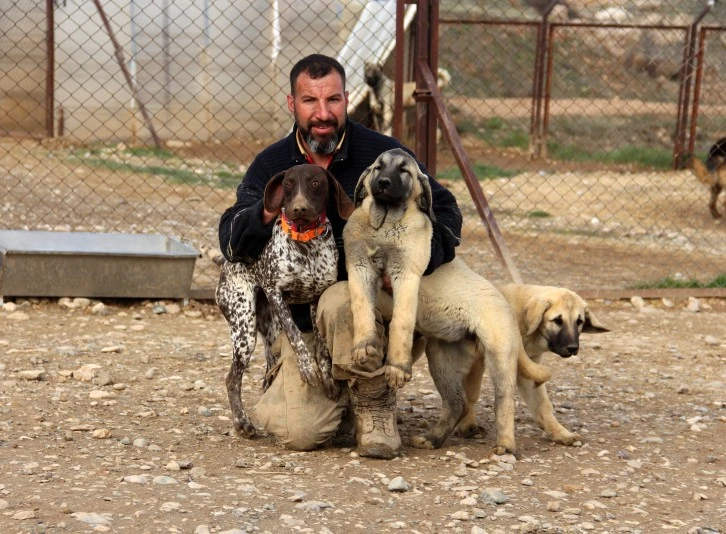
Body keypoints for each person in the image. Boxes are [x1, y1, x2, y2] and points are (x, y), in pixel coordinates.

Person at [218, 54, 462, 459]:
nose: (323, 114)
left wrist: (417, 261)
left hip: (365, 301)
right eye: (310, 102)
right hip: (302, 323)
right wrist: (267, 208)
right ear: (292, 104)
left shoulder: (382, 154)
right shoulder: (272, 164)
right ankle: (326, 393)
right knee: (301, 434)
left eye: (333, 100)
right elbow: (231, 236)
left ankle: (372, 404)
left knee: (341, 298)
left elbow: (448, 210)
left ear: (347, 99)